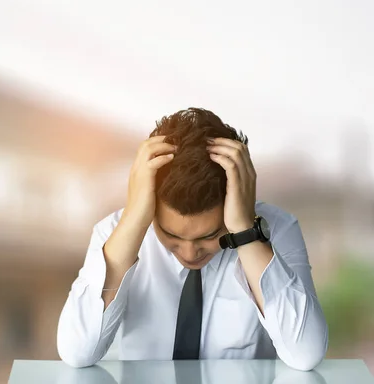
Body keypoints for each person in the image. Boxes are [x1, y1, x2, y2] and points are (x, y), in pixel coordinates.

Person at [56, 108, 328, 371]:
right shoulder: (114, 232)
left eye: (210, 236)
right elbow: (77, 352)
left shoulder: (277, 230)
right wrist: (135, 218)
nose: (189, 252)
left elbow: (305, 353)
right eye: (171, 235)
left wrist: (245, 231)